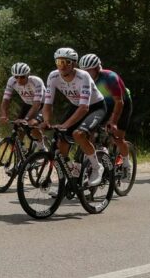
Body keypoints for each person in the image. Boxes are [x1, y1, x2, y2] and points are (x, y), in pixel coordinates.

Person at [33, 48, 107, 187]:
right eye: (59, 62)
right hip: (75, 105)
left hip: (95, 106)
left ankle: (97, 167)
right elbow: (48, 104)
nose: (62, 66)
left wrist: (65, 124)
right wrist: (47, 121)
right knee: (61, 143)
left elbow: (85, 107)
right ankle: (69, 177)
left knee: (78, 134)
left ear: (73, 64)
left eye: (66, 62)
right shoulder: (53, 76)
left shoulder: (83, 76)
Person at [78, 54, 133, 167]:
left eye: (89, 71)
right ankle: (94, 163)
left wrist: (113, 121)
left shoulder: (110, 77)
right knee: (89, 133)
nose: (86, 74)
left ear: (97, 68)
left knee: (117, 138)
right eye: (84, 71)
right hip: (104, 105)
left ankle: (126, 162)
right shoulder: (83, 79)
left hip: (122, 103)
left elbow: (119, 102)